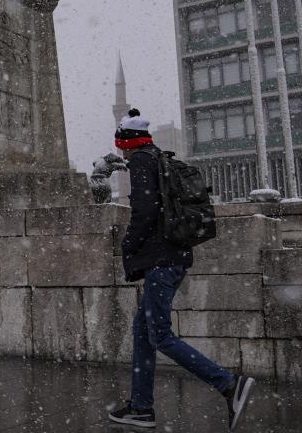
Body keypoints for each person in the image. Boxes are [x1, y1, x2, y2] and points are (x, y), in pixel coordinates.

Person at [109, 108, 254, 431]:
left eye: (121, 146)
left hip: (161, 262)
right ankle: (140, 408)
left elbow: (145, 211)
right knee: (143, 332)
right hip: (174, 256)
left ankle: (228, 384)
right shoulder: (159, 158)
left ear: (127, 143)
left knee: (160, 335)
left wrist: (128, 243)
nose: (121, 152)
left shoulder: (141, 162)